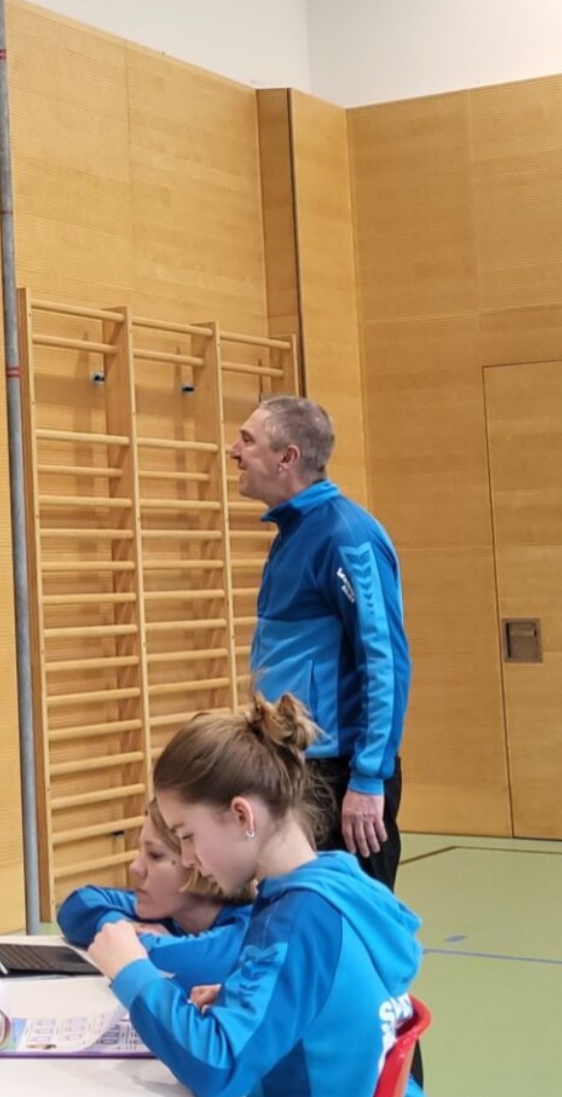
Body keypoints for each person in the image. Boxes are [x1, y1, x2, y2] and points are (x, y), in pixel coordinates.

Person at [87, 695, 426, 1097]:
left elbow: (218, 1067)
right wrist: (246, 997)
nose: (188, 859)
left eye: (187, 836)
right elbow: (331, 1002)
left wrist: (132, 972)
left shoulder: (299, 917)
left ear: (242, 816)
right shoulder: (334, 882)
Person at [228, 395, 411, 891]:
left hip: (339, 773)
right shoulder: (294, 532)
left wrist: (368, 777)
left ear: (286, 458)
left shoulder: (346, 536)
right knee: (295, 918)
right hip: (292, 764)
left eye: (247, 440)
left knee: (351, 923)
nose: (233, 451)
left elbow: (385, 662)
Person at [57, 800, 254, 992]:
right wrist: (122, 926)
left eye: (155, 855)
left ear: (200, 865)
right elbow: (78, 905)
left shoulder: (247, 934)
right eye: (139, 852)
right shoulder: (170, 913)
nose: (135, 867)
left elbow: (174, 959)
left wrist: (122, 936)